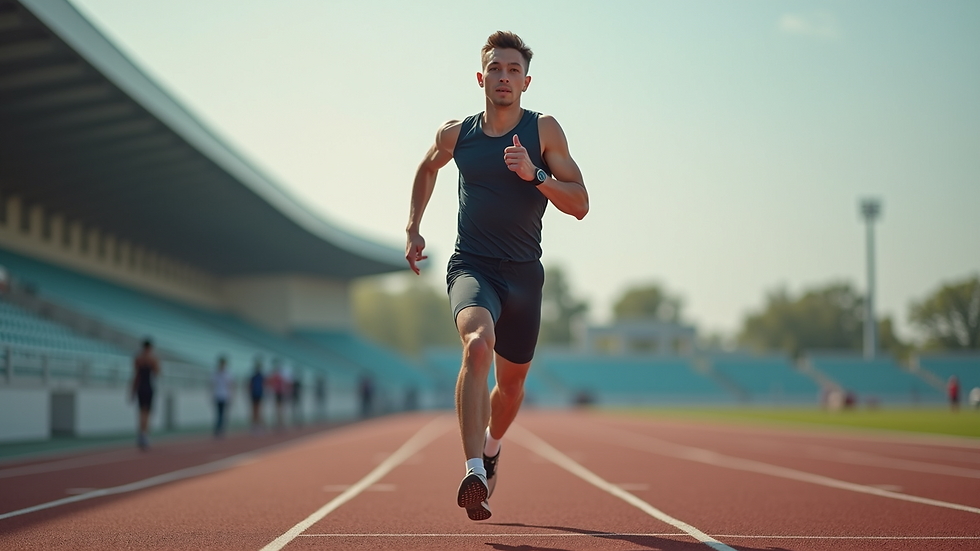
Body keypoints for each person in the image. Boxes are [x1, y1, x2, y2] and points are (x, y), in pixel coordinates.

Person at [405, 31, 588, 521]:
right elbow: (427, 168)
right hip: (473, 267)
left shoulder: (543, 131)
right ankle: (473, 472)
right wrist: (414, 226)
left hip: (525, 277)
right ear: (480, 77)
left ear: (526, 82)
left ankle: (490, 448)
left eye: (513, 70)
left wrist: (536, 175)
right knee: (476, 345)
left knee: (510, 390)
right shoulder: (457, 134)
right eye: (496, 69)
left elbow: (581, 204)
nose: (504, 77)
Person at [132, 338, 160, 450]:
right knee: (147, 413)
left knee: (141, 412)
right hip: (148, 387)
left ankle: (141, 434)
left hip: (140, 387)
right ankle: (145, 435)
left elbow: (136, 376)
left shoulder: (138, 358)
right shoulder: (153, 359)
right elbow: (157, 373)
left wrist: (132, 391)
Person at [212, 356, 233, 438]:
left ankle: (221, 429)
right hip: (218, 395)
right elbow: (212, 385)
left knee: (223, 414)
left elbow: (230, 385)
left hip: (225, 395)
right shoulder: (215, 373)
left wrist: (231, 395)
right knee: (218, 414)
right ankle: (218, 429)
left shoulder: (228, 373)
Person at [267, 360, 288, 430]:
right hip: (276, 393)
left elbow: (284, 385)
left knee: (280, 409)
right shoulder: (274, 375)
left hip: (280, 393)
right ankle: (278, 424)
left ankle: (280, 424)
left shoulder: (281, 375)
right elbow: (270, 383)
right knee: (277, 409)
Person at [248, 357, 265, 435]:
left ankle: (258, 426)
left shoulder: (261, 376)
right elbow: (250, 385)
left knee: (258, 410)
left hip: (259, 394)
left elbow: (264, 385)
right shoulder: (254, 376)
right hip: (254, 394)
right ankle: (254, 426)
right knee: (254, 411)